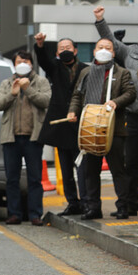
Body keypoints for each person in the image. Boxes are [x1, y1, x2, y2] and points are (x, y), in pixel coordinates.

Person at [92, 6, 138, 216]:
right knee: (131, 163)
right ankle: (131, 204)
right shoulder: (130, 50)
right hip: (133, 116)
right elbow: (110, 43)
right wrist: (100, 20)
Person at [67, 38, 136, 219]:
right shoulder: (86, 72)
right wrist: (72, 112)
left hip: (114, 129)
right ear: (94, 51)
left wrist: (115, 102)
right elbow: (77, 95)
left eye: (108, 48)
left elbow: (131, 93)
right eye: (100, 47)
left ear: (113, 53)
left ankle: (123, 206)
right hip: (89, 128)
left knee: (118, 170)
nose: (104, 50)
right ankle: (93, 207)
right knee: (91, 171)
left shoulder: (122, 73)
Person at [34, 33, 89, 216]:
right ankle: (72, 202)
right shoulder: (54, 67)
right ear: (57, 53)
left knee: (84, 168)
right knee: (66, 170)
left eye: (68, 48)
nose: (65, 51)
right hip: (61, 126)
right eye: (61, 49)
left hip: (81, 125)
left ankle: (88, 202)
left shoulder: (85, 69)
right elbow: (43, 60)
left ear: (75, 50)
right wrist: (40, 46)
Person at [0, 51, 51, 225]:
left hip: (33, 137)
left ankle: (34, 214)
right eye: (19, 61)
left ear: (31, 64)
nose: (23, 64)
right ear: (14, 64)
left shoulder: (41, 82)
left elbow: (46, 101)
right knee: (12, 178)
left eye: (26, 61)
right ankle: (14, 213)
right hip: (11, 137)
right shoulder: (7, 82)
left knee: (34, 178)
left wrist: (28, 89)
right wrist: (12, 93)